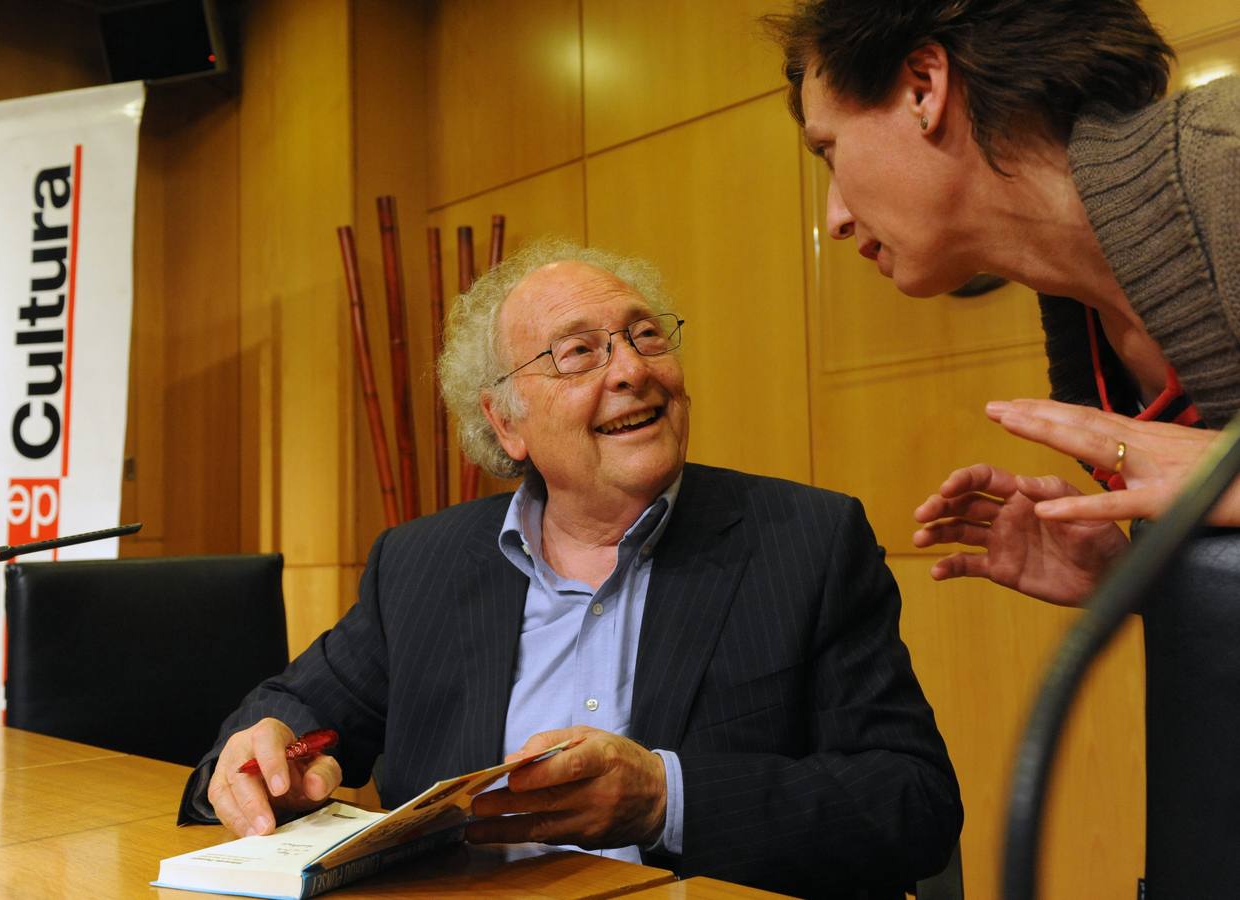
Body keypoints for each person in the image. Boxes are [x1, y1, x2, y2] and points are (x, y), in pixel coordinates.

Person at [177, 240, 962, 898]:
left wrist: (665, 798)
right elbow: (289, 711)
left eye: (646, 336)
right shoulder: (421, 563)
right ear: (505, 421)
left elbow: (911, 805)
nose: (630, 371)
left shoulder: (807, 543)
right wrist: (265, 747)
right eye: (579, 353)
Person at [767, 0, 1240, 893]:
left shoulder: (1227, 159)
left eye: (828, 152)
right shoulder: (1084, 327)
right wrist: (1155, 581)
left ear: (923, 86)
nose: (832, 215)